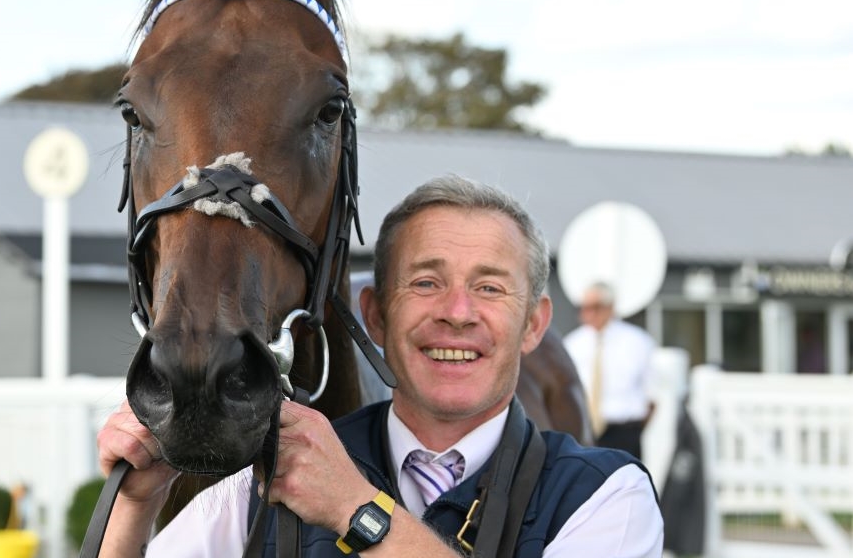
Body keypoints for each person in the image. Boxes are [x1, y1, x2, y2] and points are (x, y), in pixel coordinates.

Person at [96, 174, 662, 557]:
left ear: (534, 324)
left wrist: (355, 507)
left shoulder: (607, 495)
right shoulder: (258, 489)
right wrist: (134, 506)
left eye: (489, 287)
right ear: (375, 316)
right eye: (426, 283)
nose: (457, 314)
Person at [562, 282, 656, 459]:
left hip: (624, 433)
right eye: (584, 308)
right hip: (584, 433)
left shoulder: (637, 342)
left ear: (610, 307)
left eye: (595, 307)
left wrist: (634, 429)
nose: (588, 314)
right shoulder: (573, 344)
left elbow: (652, 397)